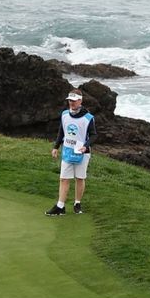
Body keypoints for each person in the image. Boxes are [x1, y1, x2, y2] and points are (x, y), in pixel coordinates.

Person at [46, 88, 97, 216]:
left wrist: (86, 146)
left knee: (80, 178)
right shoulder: (64, 114)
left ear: (80, 100)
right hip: (67, 151)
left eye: (74, 101)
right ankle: (60, 206)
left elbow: (94, 135)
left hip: (82, 152)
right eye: (69, 101)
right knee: (64, 178)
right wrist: (56, 147)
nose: (71, 103)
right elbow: (61, 132)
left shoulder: (88, 118)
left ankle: (77, 203)